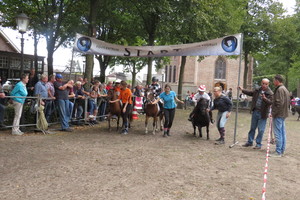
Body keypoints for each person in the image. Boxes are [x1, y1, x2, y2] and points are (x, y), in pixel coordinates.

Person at [238, 78, 273, 149]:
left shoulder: (270, 93)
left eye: (266, 84)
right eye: (263, 83)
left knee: (261, 129)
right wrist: (243, 89)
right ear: (261, 83)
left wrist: (265, 98)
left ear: (268, 84)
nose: (264, 85)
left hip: (263, 113)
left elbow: (271, 102)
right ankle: (250, 141)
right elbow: (250, 93)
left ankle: (258, 143)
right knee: (252, 128)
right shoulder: (257, 90)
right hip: (255, 111)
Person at [270, 74, 290, 157]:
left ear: (277, 81)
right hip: (283, 114)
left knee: (278, 133)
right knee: (282, 133)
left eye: (274, 80)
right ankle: (282, 150)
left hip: (279, 114)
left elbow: (279, 103)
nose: (273, 81)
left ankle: (278, 151)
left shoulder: (279, 90)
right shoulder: (285, 89)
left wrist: (273, 113)